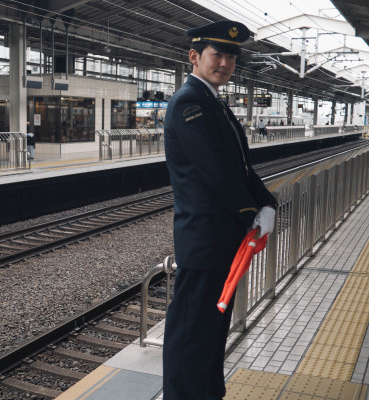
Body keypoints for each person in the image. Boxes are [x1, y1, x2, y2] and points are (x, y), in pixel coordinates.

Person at [163, 20, 277, 400]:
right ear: (194, 56)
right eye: (217, 54)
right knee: (191, 336)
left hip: (218, 241)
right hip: (203, 240)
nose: (225, 62)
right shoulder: (189, 103)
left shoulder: (214, 102)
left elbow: (239, 167)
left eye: (231, 56)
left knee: (211, 333)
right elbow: (214, 170)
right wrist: (251, 212)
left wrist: (267, 202)